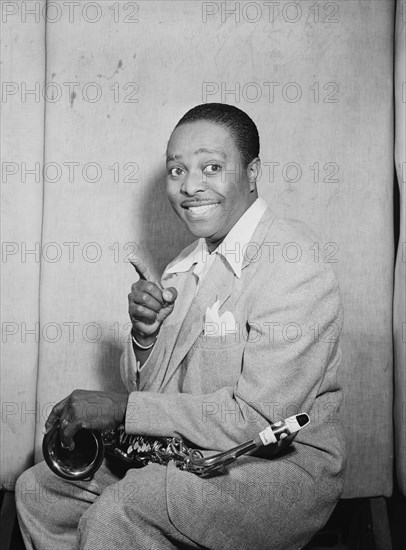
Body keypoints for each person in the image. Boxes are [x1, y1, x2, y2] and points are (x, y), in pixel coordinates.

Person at [16, 103, 345, 550]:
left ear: (252, 173)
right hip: (194, 457)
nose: (190, 186)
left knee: (120, 512)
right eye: (176, 170)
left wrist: (121, 408)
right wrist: (145, 337)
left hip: (274, 471)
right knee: (38, 492)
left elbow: (257, 419)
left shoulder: (295, 264)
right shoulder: (183, 266)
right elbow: (153, 390)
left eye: (212, 167)